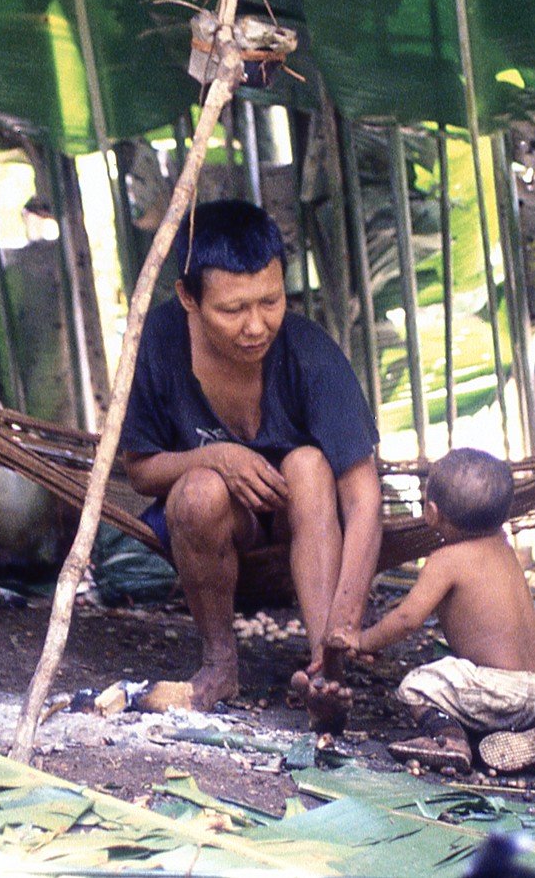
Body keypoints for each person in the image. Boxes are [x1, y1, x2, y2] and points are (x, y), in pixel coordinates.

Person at [121, 199, 382, 726]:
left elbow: (363, 497)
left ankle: (323, 669)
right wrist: (218, 457)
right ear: (188, 298)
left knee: (309, 463)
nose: (256, 326)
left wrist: (347, 620)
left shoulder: (310, 354)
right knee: (198, 489)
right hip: (216, 526)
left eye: (271, 301)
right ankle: (220, 664)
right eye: (233, 309)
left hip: (302, 522)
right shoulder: (157, 342)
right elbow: (140, 470)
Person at [326, 448, 535, 774]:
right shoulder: (505, 550)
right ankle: (527, 734)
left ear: (432, 512)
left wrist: (363, 640)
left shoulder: (445, 560)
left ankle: (450, 740)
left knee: (417, 685)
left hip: (500, 690)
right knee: (486, 698)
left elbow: (408, 619)